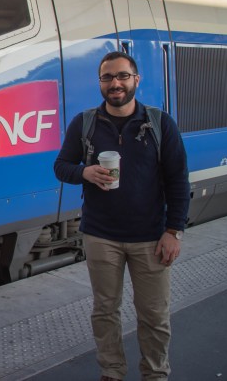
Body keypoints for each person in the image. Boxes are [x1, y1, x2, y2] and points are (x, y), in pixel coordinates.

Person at [53, 51, 190, 381]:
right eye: (107, 77)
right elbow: (61, 166)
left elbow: (178, 179)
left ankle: (155, 375)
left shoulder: (159, 123)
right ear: (100, 83)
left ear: (135, 80)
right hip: (101, 236)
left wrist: (174, 231)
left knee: (154, 315)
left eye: (122, 76)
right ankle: (112, 373)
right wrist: (84, 173)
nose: (115, 83)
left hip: (151, 238)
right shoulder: (85, 123)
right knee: (105, 311)